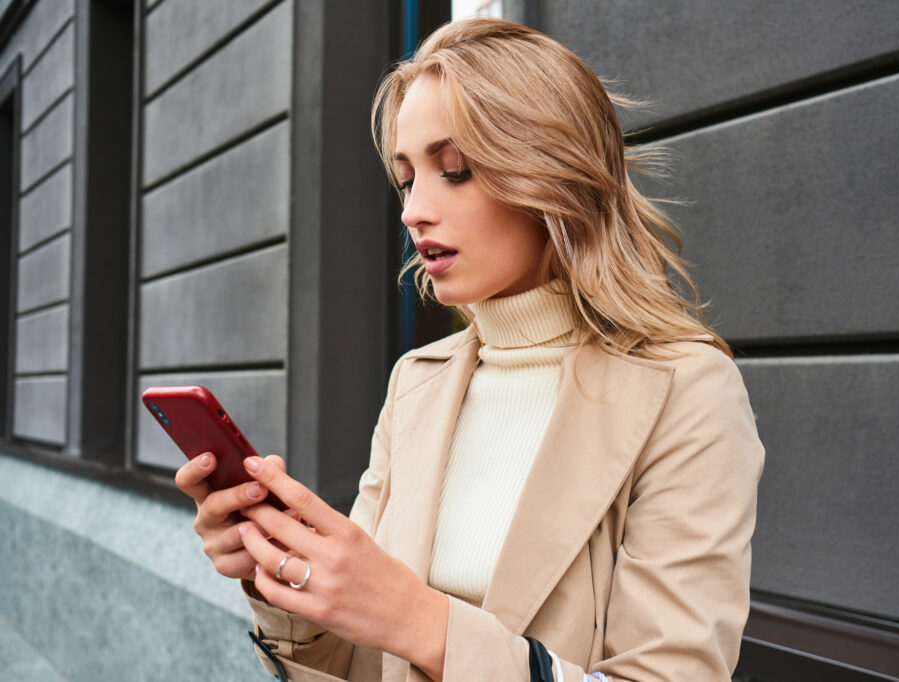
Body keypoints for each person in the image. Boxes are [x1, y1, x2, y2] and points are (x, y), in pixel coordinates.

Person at [175, 17, 764, 682]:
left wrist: (417, 620)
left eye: (454, 170)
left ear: (554, 175)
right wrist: (285, 577)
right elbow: (355, 662)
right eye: (406, 178)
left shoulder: (685, 389)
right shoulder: (418, 382)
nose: (413, 210)